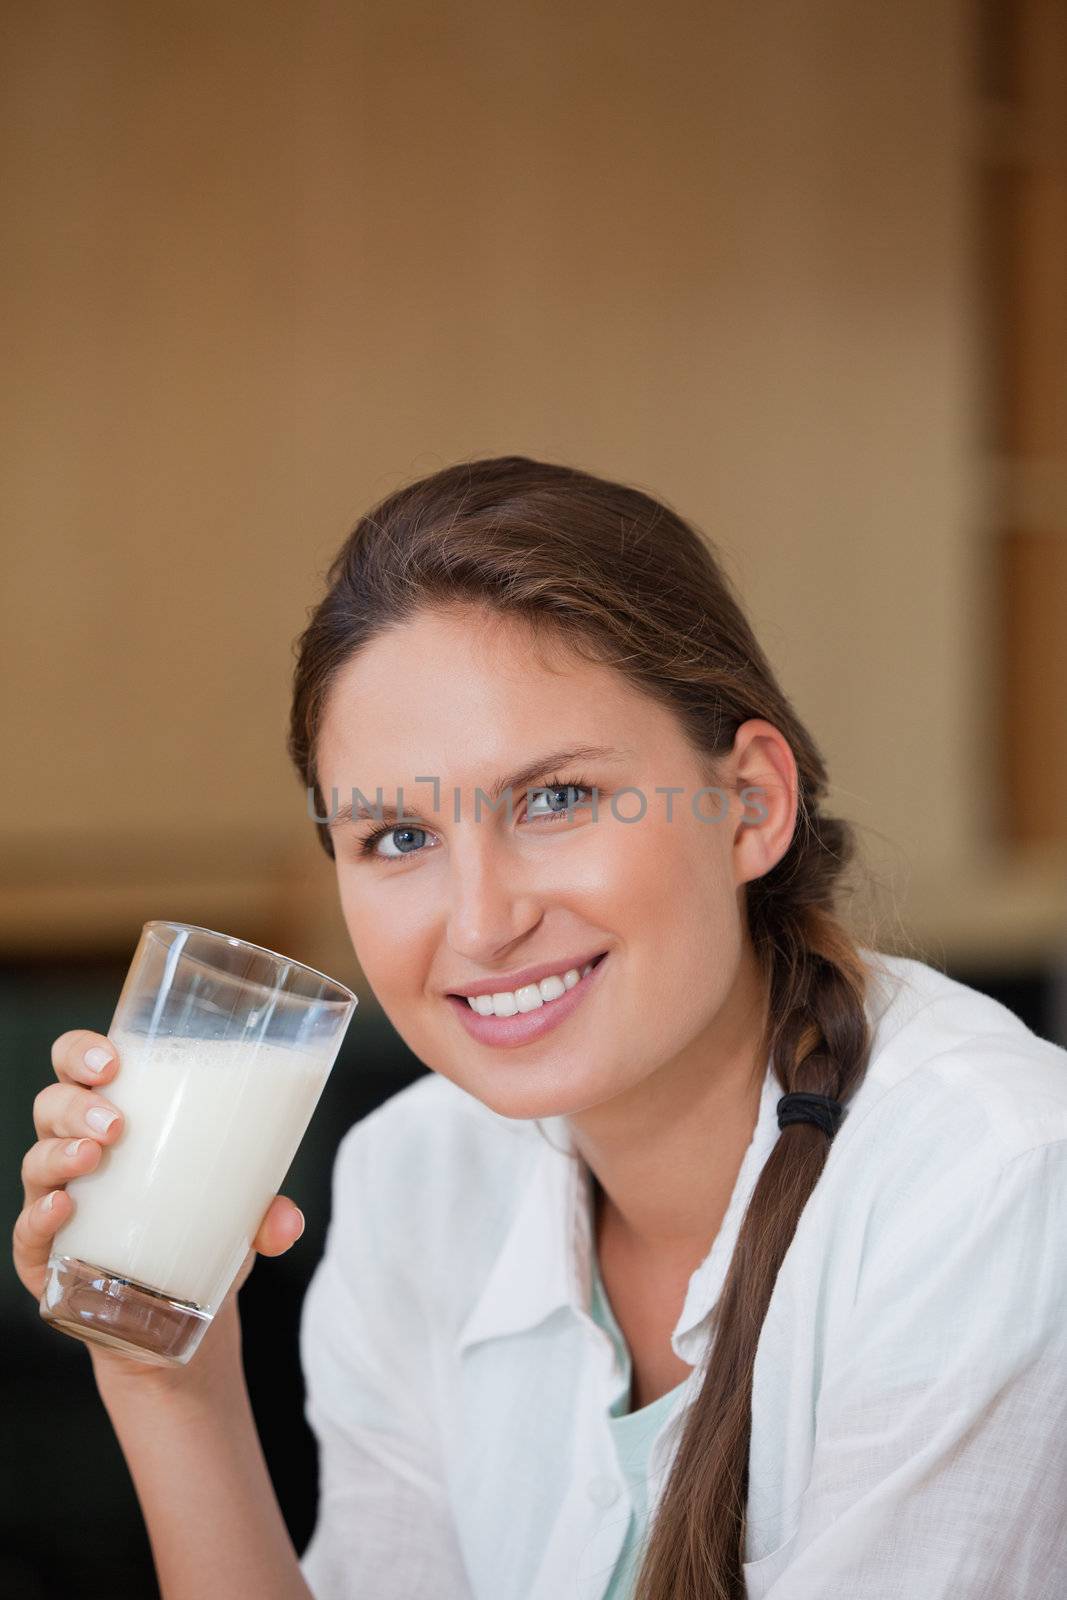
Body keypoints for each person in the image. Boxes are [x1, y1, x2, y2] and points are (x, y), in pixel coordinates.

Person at [14, 455, 1067, 1600]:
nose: (482, 921)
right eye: (397, 837)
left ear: (749, 805)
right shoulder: (417, 1176)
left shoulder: (996, 1182)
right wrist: (167, 1376)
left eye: (554, 799)